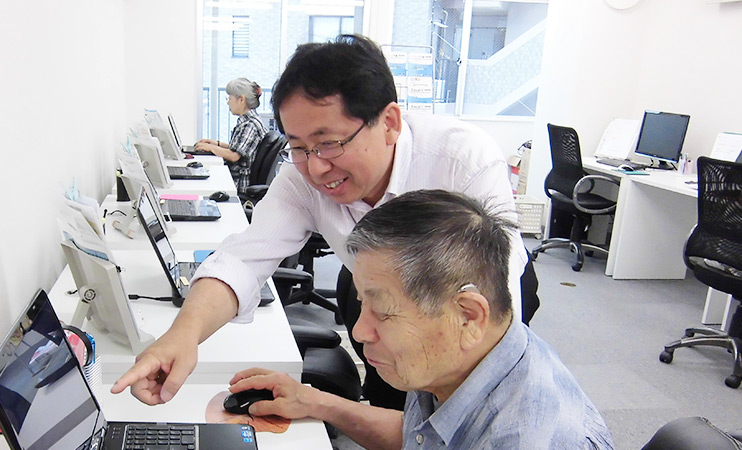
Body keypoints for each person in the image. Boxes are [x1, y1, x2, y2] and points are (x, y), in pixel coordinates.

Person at [111, 34, 539, 407]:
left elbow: (496, 301)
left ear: (389, 123)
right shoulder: (300, 178)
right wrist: (183, 335)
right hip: (374, 291)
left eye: (329, 143)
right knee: (391, 397)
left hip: (472, 296)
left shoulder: (460, 158)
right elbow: (243, 259)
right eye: (298, 147)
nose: (315, 168)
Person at [229, 190, 614, 449]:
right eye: (363, 304)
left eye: (383, 312)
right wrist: (315, 402)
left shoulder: (529, 438)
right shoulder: (463, 356)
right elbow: (421, 436)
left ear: (468, 316)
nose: (359, 331)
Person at [193, 77, 268, 191]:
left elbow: (234, 156)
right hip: (234, 178)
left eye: (230, 98)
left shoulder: (250, 125)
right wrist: (216, 144)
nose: (228, 102)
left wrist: (210, 148)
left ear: (241, 99)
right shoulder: (249, 121)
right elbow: (239, 148)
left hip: (238, 183)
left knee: (199, 182)